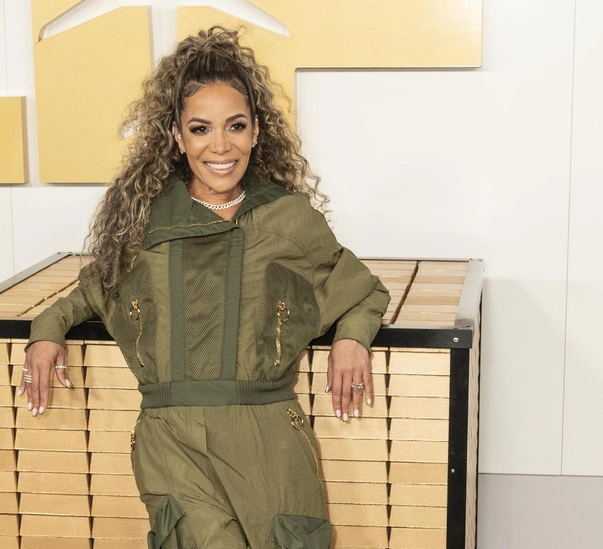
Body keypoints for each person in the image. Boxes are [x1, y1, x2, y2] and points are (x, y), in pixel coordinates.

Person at [20, 26, 390, 549]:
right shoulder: (146, 224)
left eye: (235, 126)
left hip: (270, 445)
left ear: (256, 131)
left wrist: (352, 338)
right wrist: (45, 333)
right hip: (173, 442)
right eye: (201, 129)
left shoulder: (288, 219)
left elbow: (362, 290)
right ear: (177, 136)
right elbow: (88, 294)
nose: (221, 146)